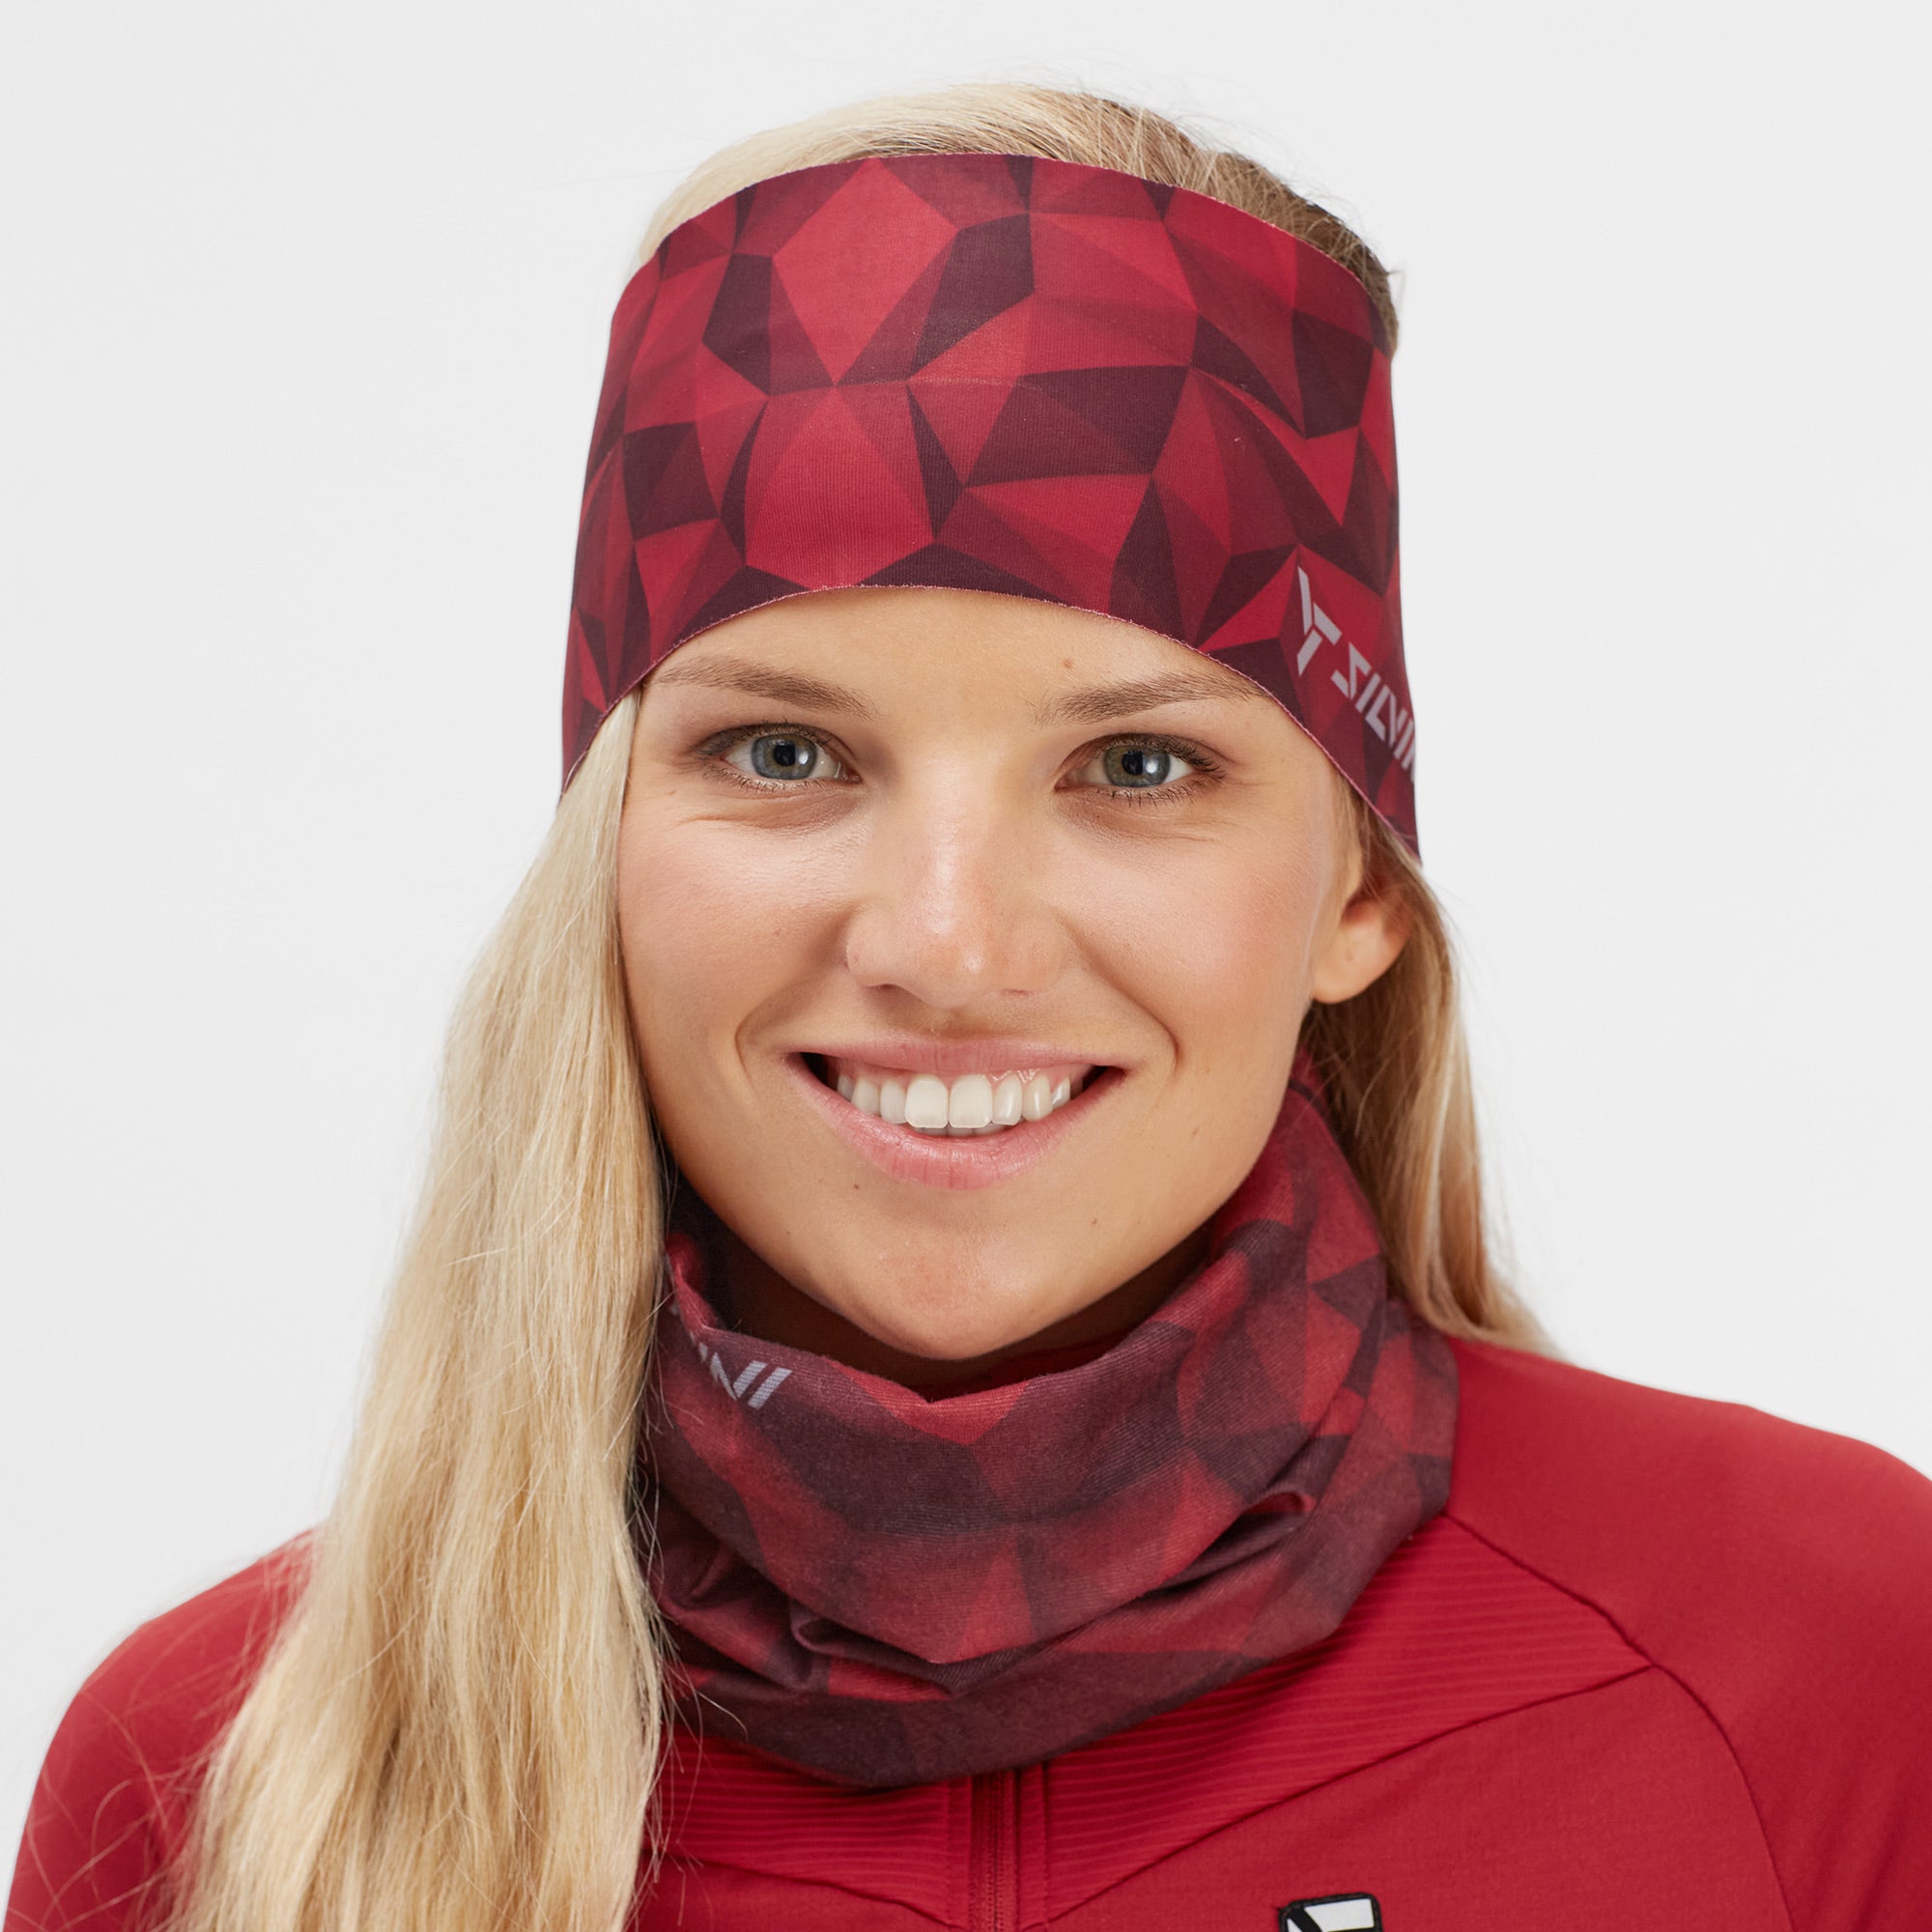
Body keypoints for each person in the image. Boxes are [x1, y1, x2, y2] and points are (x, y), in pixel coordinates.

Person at [9, 82, 1930, 1932]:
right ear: (607, 859)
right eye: (784, 753)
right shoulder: (218, 1773)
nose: (947, 943)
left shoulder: (1821, 1658)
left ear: (1355, 890)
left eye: (1139, 768)